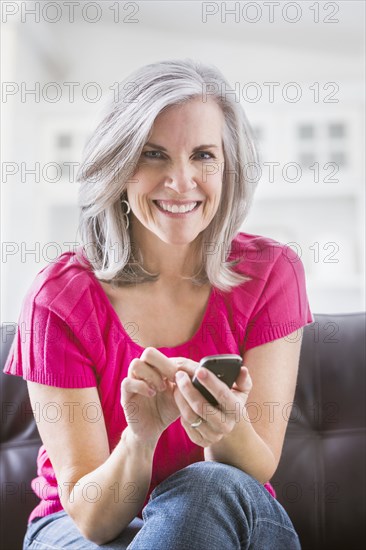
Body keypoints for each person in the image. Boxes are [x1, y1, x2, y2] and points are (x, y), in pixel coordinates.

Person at [4, 59, 313, 549]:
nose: (181, 180)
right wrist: (140, 438)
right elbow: (93, 521)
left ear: (227, 167)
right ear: (118, 166)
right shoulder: (57, 301)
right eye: (154, 155)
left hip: (232, 516)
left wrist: (223, 428)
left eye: (204, 155)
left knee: (205, 488)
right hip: (84, 527)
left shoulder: (272, 274)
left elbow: (257, 468)